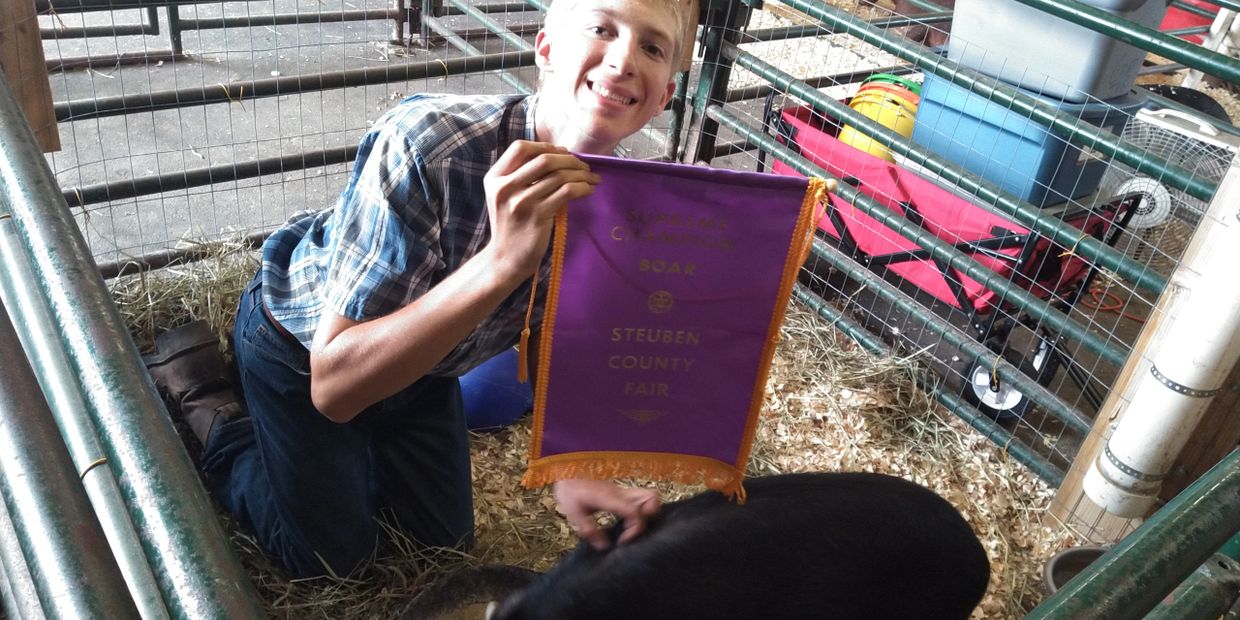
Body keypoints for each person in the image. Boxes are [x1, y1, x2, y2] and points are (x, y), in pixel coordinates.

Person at [143, 0, 687, 578]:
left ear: (663, 97)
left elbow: (563, 327)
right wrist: (503, 261)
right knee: (331, 564)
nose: (626, 58)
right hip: (302, 352)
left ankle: (343, 461)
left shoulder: (621, 202)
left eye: (652, 47)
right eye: (603, 28)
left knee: (441, 550)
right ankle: (216, 411)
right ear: (547, 49)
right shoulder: (430, 145)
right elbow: (335, 388)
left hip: (427, 368)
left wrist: (568, 462)